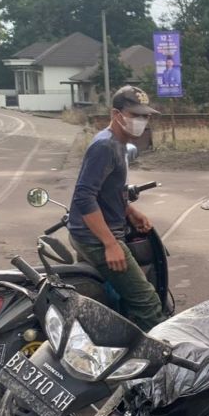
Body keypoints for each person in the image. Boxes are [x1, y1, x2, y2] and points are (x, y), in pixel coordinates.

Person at [67, 85, 164, 331]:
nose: (141, 121)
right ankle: (155, 362)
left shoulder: (119, 143)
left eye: (145, 116)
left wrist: (130, 212)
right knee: (148, 303)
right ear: (116, 114)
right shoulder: (105, 146)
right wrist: (110, 244)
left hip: (88, 233)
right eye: (135, 115)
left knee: (108, 299)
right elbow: (84, 197)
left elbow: (110, 190)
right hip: (97, 239)